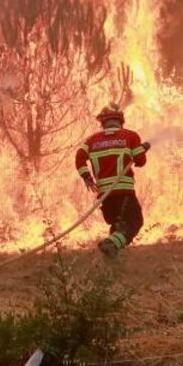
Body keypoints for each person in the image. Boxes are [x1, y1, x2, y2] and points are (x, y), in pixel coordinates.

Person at [75, 105, 150, 258]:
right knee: (134, 222)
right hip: (124, 192)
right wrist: (141, 149)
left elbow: (79, 157)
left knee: (117, 225)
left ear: (102, 122)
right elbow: (140, 161)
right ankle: (112, 244)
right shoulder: (130, 136)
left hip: (105, 195)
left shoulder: (91, 140)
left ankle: (112, 258)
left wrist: (87, 177)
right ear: (121, 120)